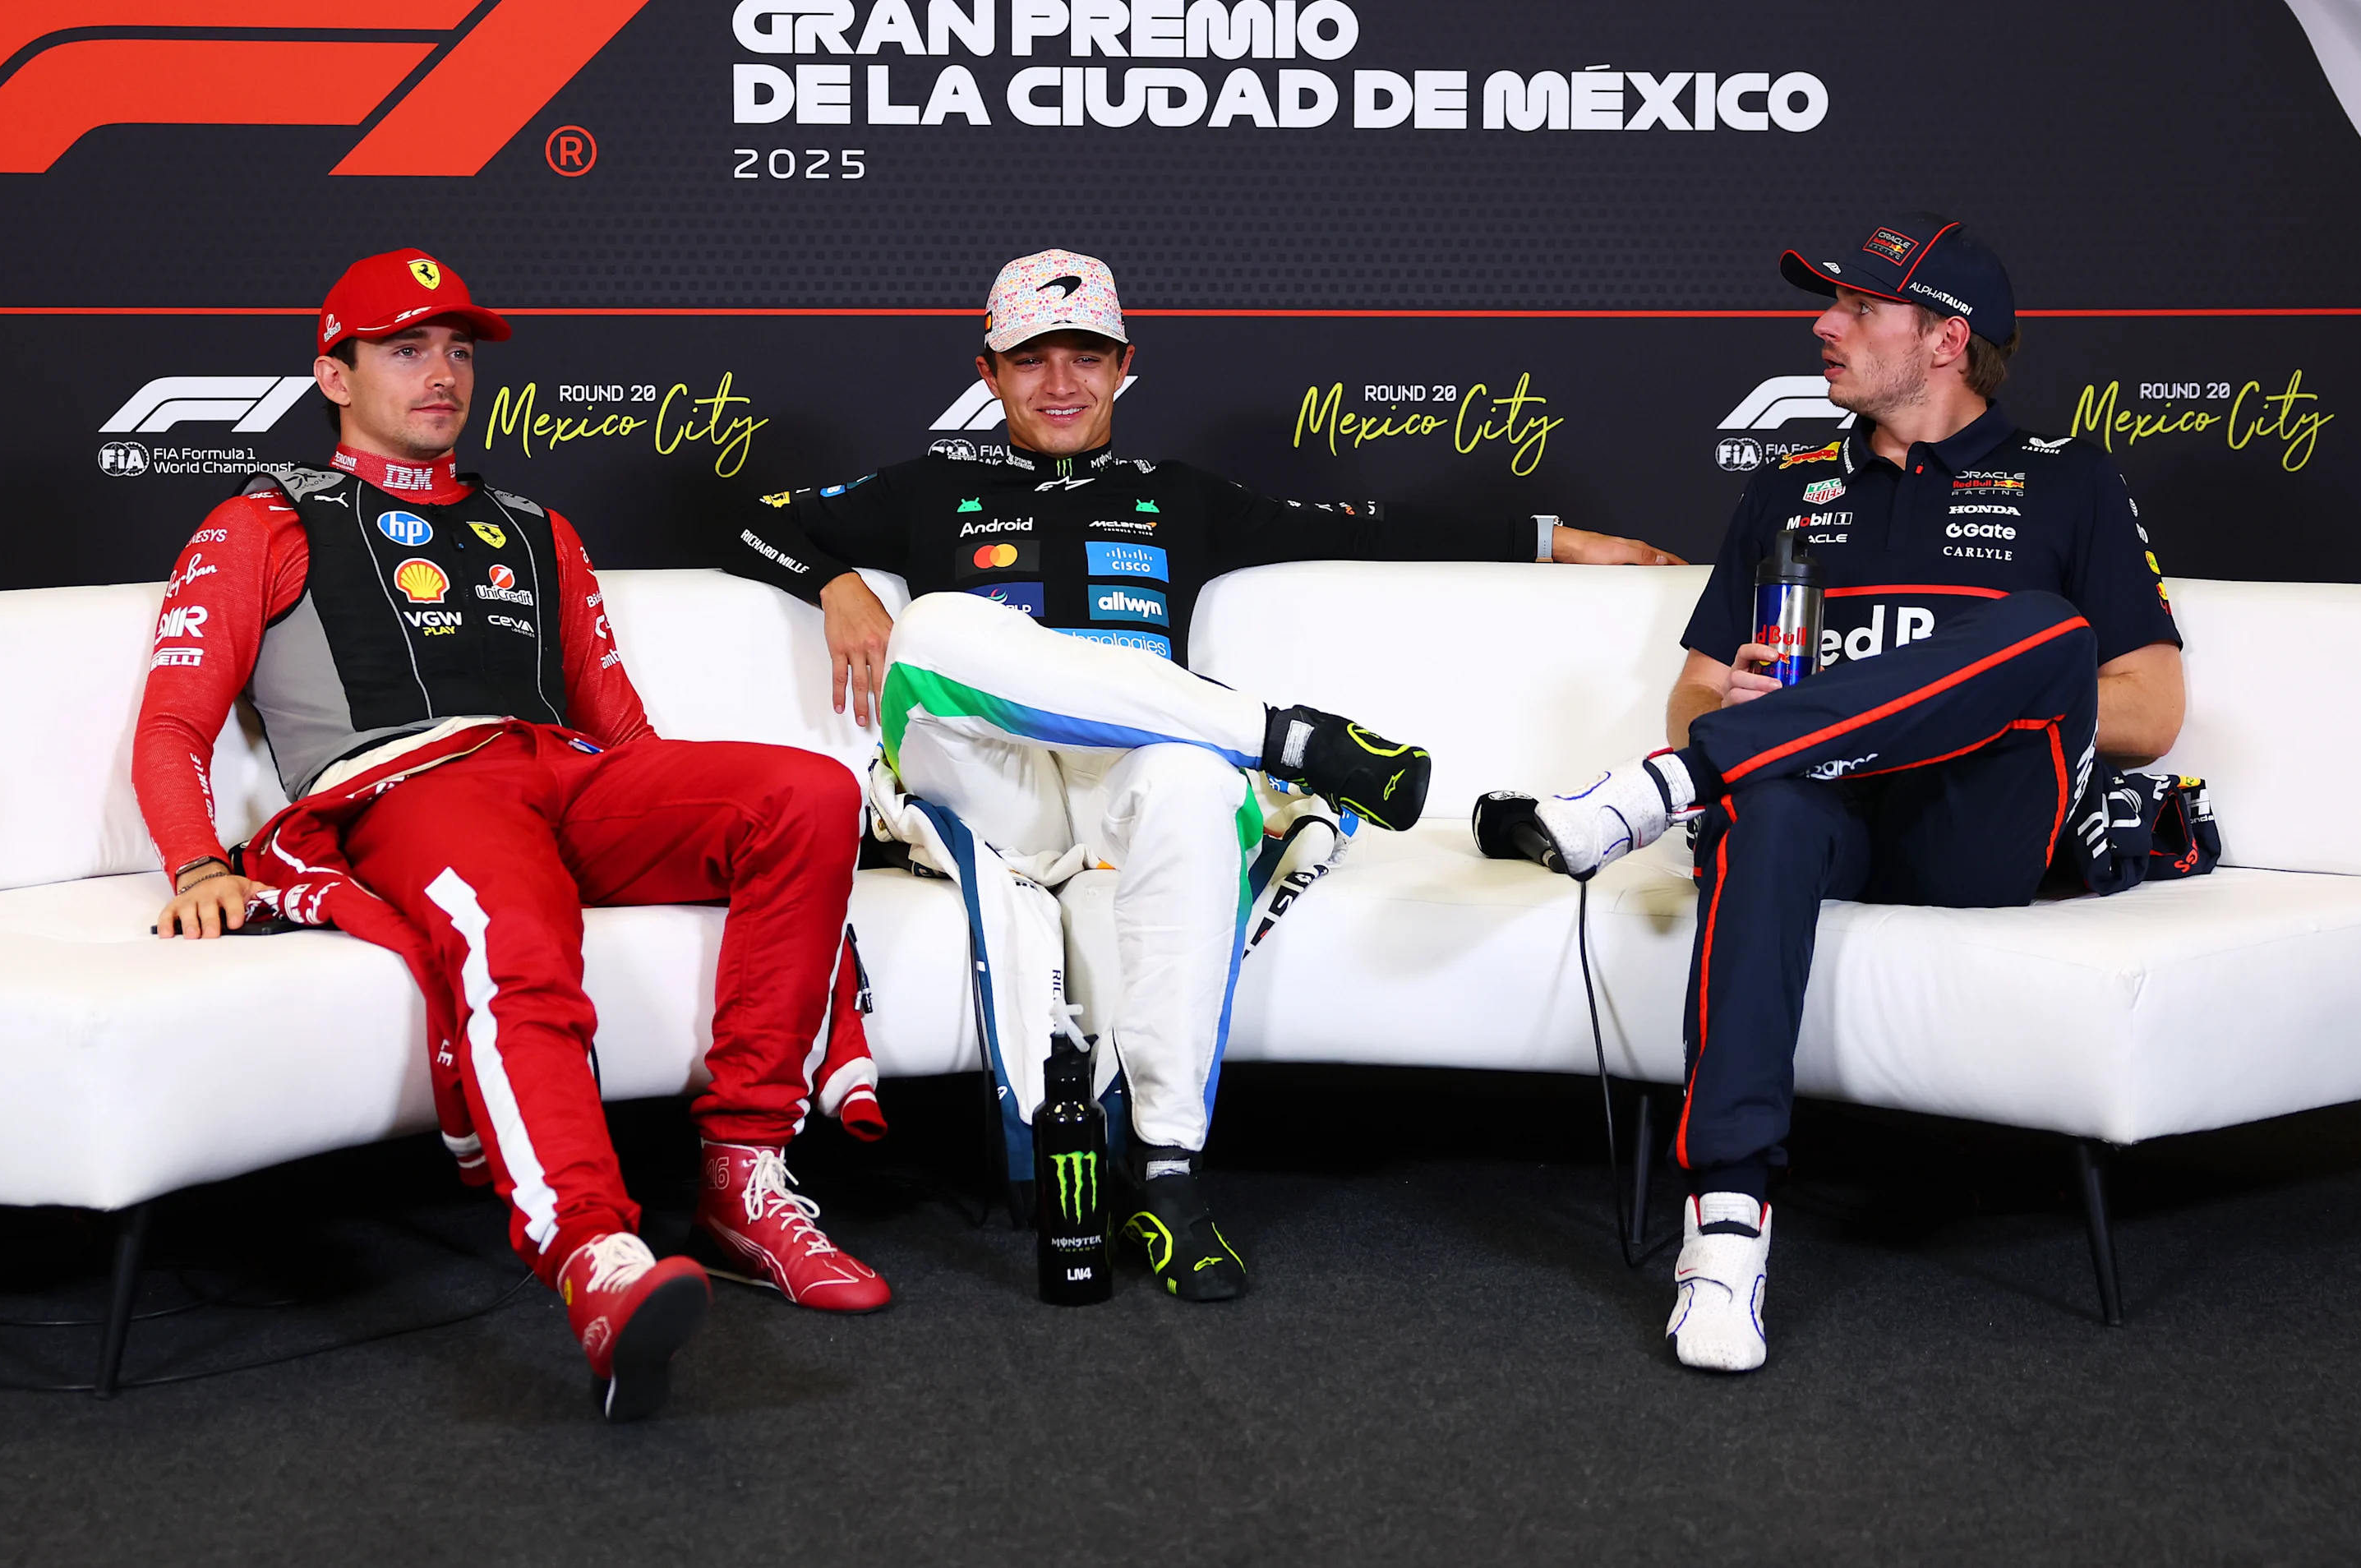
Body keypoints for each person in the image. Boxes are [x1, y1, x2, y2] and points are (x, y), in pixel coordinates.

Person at [723, 249, 1682, 1302]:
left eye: (1085, 358)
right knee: (937, 630)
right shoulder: (927, 488)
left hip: (1125, 788)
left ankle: (1168, 1170)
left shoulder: (1178, 495)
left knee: (1197, 782)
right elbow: (739, 518)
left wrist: (1555, 540)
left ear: (1124, 366)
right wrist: (835, 583)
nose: (1059, 383)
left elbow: (1366, 530)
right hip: (990, 789)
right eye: (1029, 360)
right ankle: (1293, 741)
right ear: (987, 374)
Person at [132, 250, 890, 1423]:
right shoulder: (264, 521)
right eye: (405, 350)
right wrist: (194, 862)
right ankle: (593, 1252)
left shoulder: (536, 528)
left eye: (456, 351)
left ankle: (743, 1183)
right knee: (514, 929)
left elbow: (623, 735)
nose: (441, 374)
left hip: (567, 777)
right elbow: (174, 721)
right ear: (333, 376)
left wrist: (689, 810)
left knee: (807, 791)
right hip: (406, 788)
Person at [1481, 214, 2187, 1372]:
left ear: (1947, 340)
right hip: (1823, 819)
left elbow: (2151, 710)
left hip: (1975, 829)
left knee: (2048, 636)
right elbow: (1697, 693)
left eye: (1859, 308)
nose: (1823, 324)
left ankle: (1659, 794)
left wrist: (1959, 696)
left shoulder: (2067, 480)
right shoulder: (1787, 487)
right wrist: (1730, 712)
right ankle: (1725, 1234)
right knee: (1766, 801)